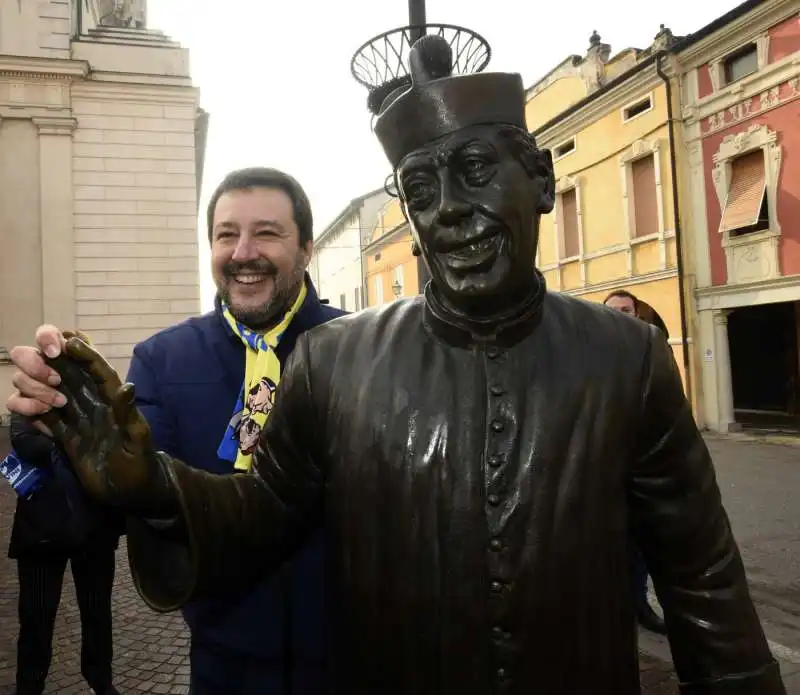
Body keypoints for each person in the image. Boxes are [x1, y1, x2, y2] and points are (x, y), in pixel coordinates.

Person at [7, 32, 785, 695]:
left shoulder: (629, 356)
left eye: (476, 171)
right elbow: (259, 515)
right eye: (421, 188)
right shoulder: (335, 360)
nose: (447, 207)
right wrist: (153, 484)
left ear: (542, 182)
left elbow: (705, 584)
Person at [11, 167, 346, 695]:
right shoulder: (163, 360)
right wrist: (65, 453)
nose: (243, 252)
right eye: (225, 234)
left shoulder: (359, 350)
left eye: (267, 232)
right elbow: (128, 505)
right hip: (222, 664)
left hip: (350, 663)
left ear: (305, 248)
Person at [8, 410, 123, 695]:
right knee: (36, 617)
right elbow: (25, 442)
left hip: (94, 524)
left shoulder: (92, 391)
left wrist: (55, 436)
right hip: (41, 527)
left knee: (97, 615)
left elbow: (111, 443)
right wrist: (80, 440)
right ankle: (29, 685)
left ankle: (101, 680)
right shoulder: (31, 393)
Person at [602, 289, 668, 635]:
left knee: (645, 542)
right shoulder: (590, 356)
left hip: (644, 465)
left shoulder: (650, 350)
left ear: (637, 313)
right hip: (603, 468)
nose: (621, 316)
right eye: (613, 311)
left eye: (626, 310)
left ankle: (640, 604)